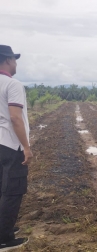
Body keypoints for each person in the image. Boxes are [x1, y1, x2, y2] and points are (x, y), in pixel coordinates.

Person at [0, 45, 32, 250]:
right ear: (7, 60)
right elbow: (15, 118)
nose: (16, 63)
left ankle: (5, 228)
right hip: (11, 145)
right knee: (13, 191)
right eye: (14, 59)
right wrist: (26, 147)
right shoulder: (12, 84)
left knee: (2, 189)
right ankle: (4, 239)